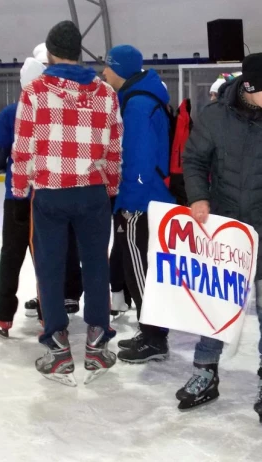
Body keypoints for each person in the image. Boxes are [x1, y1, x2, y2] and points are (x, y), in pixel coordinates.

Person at [177, 53, 262, 422]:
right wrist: (198, 197)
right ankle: (206, 368)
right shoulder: (215, 117)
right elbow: (194, 161)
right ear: (249, 88)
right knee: (216, 300)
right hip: (224, 228)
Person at [11, 21, 122, 386]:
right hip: (91, 192)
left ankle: (58, 349)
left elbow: (23, 145)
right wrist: (110, 186)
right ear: (78, 52)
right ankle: (96, 343)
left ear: (52, 52)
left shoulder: (36, 91)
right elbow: (113, 147)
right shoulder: (106, 93)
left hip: (51, 193)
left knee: (50, 268)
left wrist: (19, 186)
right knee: (95, 267)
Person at [0, 54, 86, 337]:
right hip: (50, 196)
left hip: (17, 198)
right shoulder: (59, 110)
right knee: (48, 258)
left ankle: (4, 315)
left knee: (11, 255)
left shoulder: (11, 113)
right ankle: (50, 316)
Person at [102, 44, 176, 363]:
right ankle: (152, 331)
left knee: (137, 266)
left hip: (139, 200)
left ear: (120, 69)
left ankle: (154, 335)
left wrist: (129, 195)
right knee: (143, 265)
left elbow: (140, 158)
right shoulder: (142, 97)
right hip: (148, 195)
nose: (104, 73)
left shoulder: (136, 104)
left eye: (107, 67)